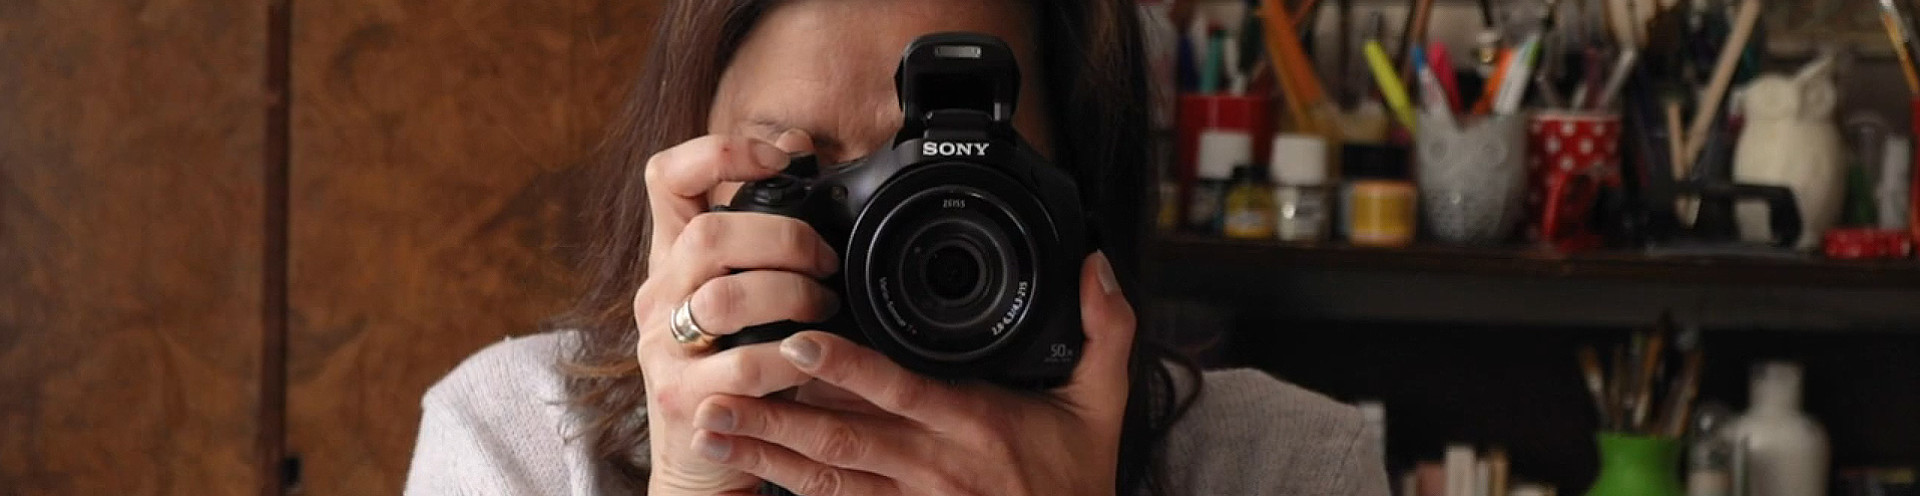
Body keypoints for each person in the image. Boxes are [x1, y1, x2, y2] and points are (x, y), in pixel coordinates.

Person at [405, 0, 1390, 494]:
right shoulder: (518, 444)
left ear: (1078, 197)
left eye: (954, 183)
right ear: (690, 183)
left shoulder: (1284, 463)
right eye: (804, 171)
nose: (892, 236)